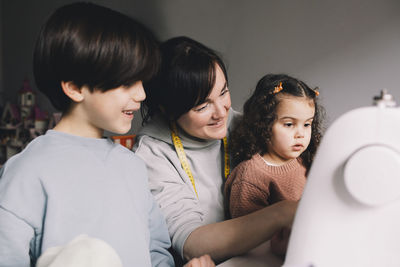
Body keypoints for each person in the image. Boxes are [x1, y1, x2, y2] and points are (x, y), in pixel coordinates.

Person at [0, 3, 213, 267]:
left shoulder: (132, 166)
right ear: (76, 87)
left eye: (143, 81)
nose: (142, 95)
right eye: (127, 83)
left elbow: (155, 252)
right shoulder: (27, 171)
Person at [134, 36, 298, 264]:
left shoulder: (243, 123)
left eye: (223, 93)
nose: (221, 113)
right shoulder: (153, 154)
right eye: (202, 106)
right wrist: (282, 213)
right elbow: (192, 244)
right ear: (168, 110)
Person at [224, 74, 325, 256]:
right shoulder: (251, 175)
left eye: (307, 124)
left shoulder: (306, 159)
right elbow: (246, 239)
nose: (300, 134)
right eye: (289, 124)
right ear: (263, 124)